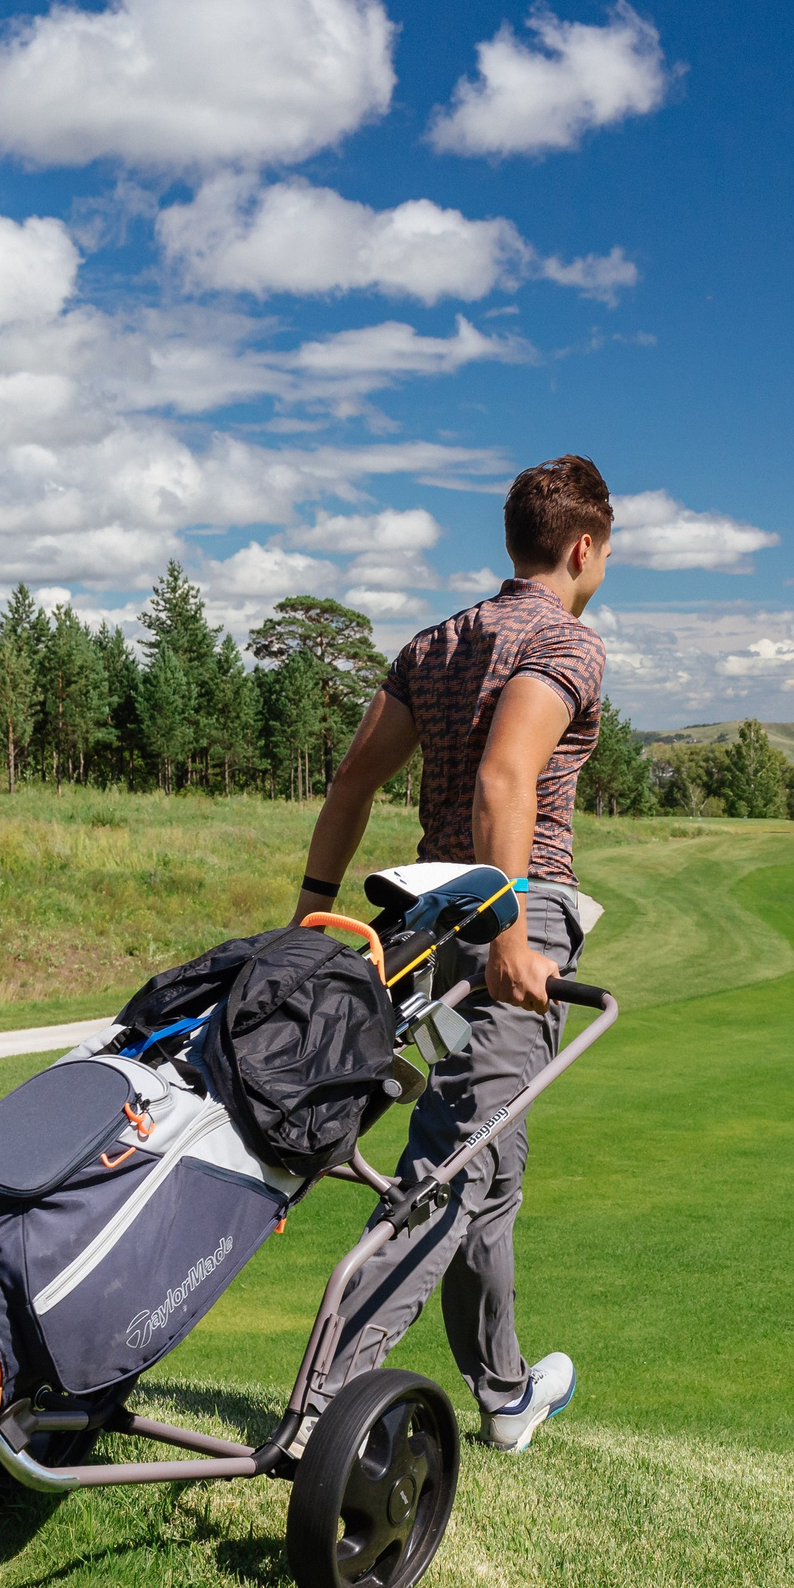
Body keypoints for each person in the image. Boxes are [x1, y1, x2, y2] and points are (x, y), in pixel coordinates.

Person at [290, 453, 613, 1452]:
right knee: (453, 1167)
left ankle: (505, 1386)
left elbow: (350, 783)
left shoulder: (436, 642)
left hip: (420, 918)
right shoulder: (567, 640)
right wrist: (511, 930)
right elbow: (503, 783)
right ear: (582, 546)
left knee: (492, 1162)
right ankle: (318, 1416)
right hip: (507, 914)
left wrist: (311, 906)